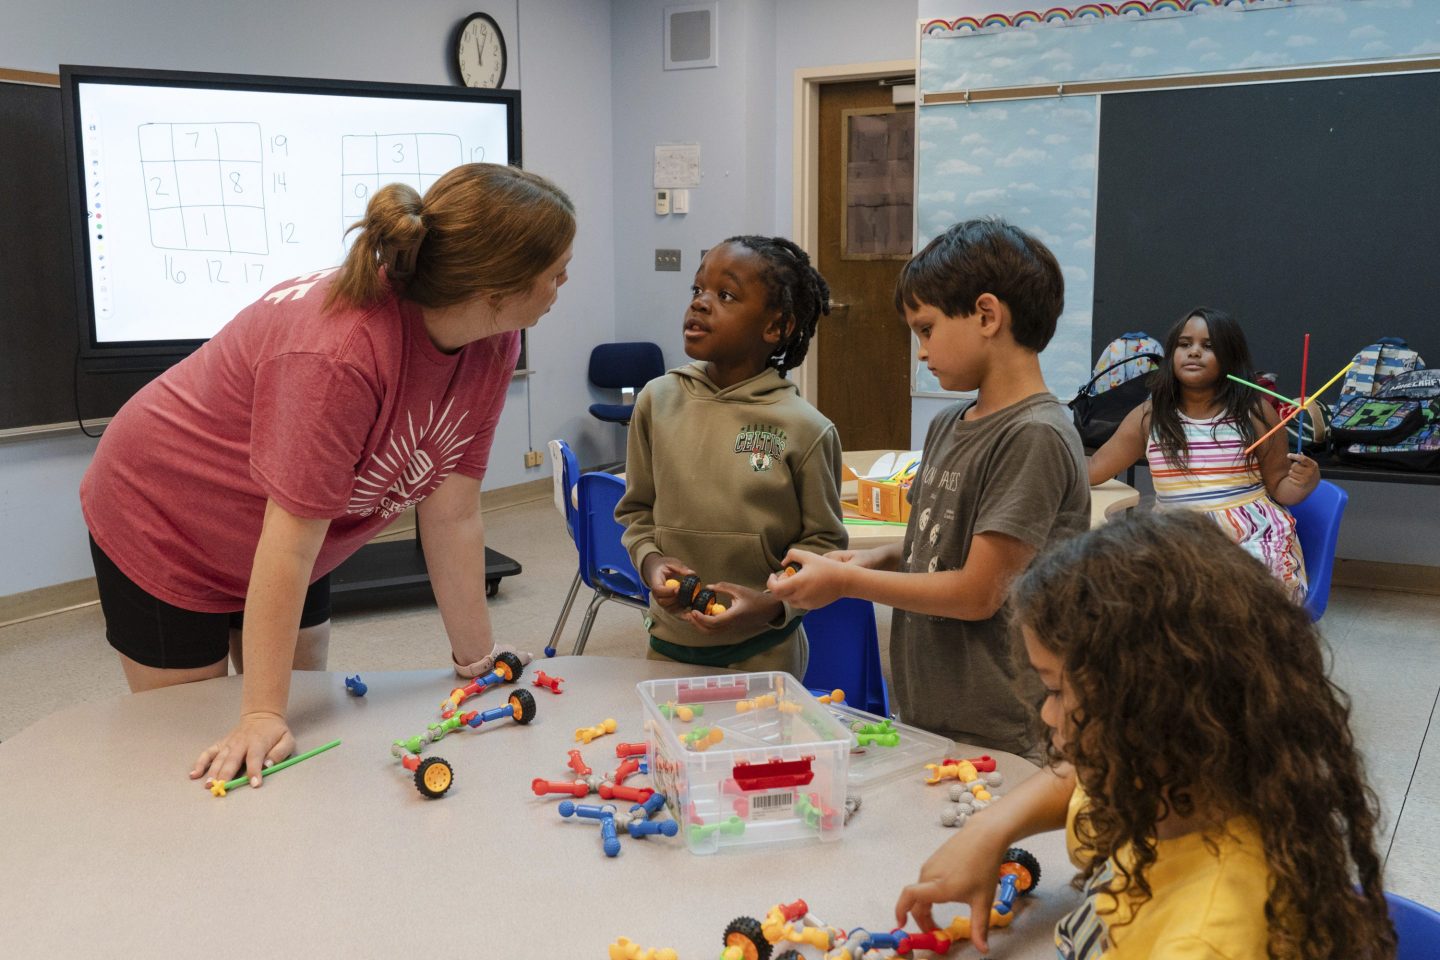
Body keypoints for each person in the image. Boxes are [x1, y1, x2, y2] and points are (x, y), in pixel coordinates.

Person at [80, 163, 575, 789]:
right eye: (555, 269)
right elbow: (286, 549)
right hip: (166, 512)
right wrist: (259, 712)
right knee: (206, 740)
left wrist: (477, 664)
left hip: (291, 524)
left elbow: (452, 512)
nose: (564, 282)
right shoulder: (340, 353)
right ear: (495, 285)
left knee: (304, 707)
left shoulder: (494, 339)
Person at [895, 511, 1395, 960]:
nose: (1047, 715)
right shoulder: (1165, 794)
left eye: (1055, 690)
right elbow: (1075, 788)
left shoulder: (1205, 938)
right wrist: (988, 832)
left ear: (1152, 711)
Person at [768, 218, 1090, 757]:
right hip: (935, 706)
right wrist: (860, 563)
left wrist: (846, 587)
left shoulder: (1033, 435)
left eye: (926, 329)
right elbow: (929, 548)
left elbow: (976, 593)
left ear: (987, 315)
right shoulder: (947, 425)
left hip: (1003, 720)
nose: (921, 351)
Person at [614, 235, 846, 677]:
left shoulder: (805, 427)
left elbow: (824, 545)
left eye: (725, 295)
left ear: (776, 327)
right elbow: (637, 509)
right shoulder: (656, 401)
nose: (700, 304)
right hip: (669, 642)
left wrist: (770, 605)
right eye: (697, 290)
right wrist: (651, 561)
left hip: (766, 648)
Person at [1087, 307, 1317, 603]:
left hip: (1252, 538)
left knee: (1238, 599)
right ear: (1171, 356)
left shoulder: (1256, 413)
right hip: (1176, 536)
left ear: (1231, 357)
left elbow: (1282, 488)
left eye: (1208, 346)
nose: (1194, 352)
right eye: (1185, 345)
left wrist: (1307, 480)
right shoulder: (1149, 416)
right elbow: (1094, 469)